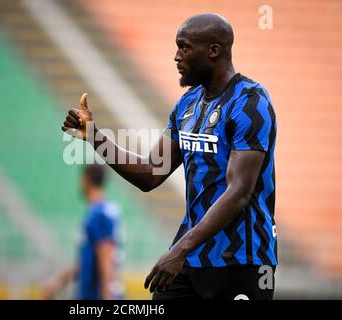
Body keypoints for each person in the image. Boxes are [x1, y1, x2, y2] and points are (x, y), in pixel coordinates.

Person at [61, 13, 277, 300]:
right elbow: (151, 172)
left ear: (213, 51)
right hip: (191, 257)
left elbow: (238, 192)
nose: (176, 56)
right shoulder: (187, 104)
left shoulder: (250, 102)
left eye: (184, 47)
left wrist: (178, 250)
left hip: (241, 260)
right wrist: (94, 135)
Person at [42, 164, 123, 300]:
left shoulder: (98, 214)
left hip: (96, 295)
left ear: (86, 180)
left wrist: (107, 295)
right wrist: (60, 280)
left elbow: (106, 254)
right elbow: (90, 259)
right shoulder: (105, 210)